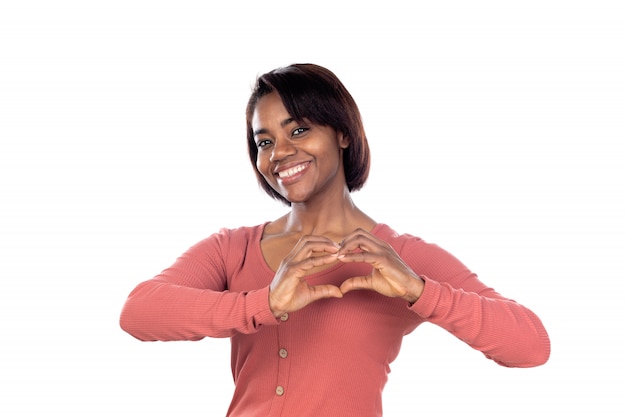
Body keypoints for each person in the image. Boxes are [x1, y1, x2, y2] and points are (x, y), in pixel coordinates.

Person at [119, 63, 550, 417]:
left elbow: (531, 346)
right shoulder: (232, 248)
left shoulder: (400, 257)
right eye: (264, 141)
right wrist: (262, 304)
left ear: (342, 133)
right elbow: (138, 313)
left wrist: (418, 291)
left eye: (299, 130)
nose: (279, 152)